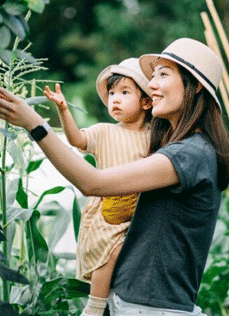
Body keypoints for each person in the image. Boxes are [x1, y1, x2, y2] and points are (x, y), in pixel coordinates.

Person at [0, 38, 229, 316]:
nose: (152, 84)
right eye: (152, 76)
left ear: (196, 85)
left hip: (151, 309)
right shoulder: (182, 149)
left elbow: (93, 183)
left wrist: (35, 124)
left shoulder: (191, 154)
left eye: (163, 75)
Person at [43, 58, 153, 316]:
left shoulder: (153, 137)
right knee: (111, 252)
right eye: (112, 93)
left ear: (147, 102)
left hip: (138, 214)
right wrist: (63, 110)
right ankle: (94, 307)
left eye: (125, 93)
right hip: (107, 214)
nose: (115, 99)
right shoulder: (104, 132)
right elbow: (77, 140)